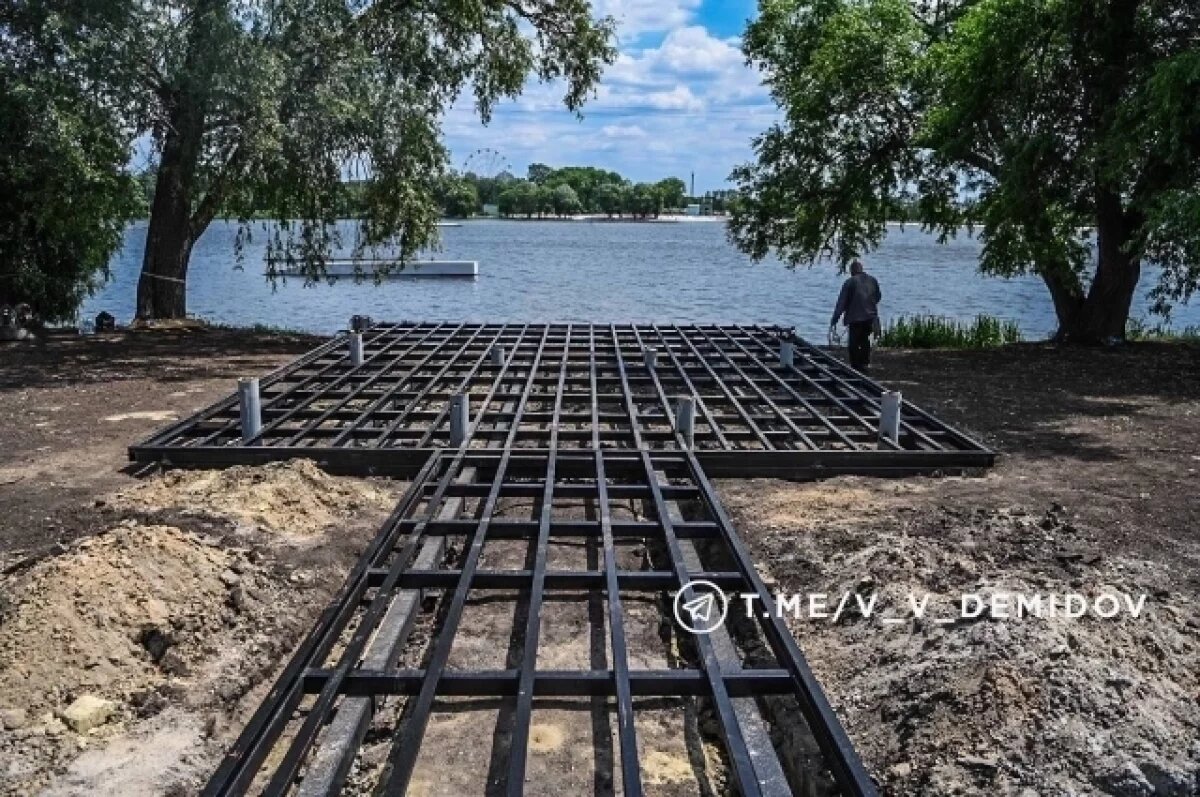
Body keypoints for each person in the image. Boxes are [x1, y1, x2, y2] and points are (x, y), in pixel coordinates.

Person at [829, 259, 882, 372]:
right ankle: (865, 363)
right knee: (864, 339)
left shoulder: (849, 282)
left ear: (852, 271)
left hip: (855, 318)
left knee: (854, 342)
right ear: (861, 269)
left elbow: (841, 303)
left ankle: (855, 366)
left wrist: (834, 319)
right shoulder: (872, 280)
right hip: (870, 316)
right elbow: (878, 297)